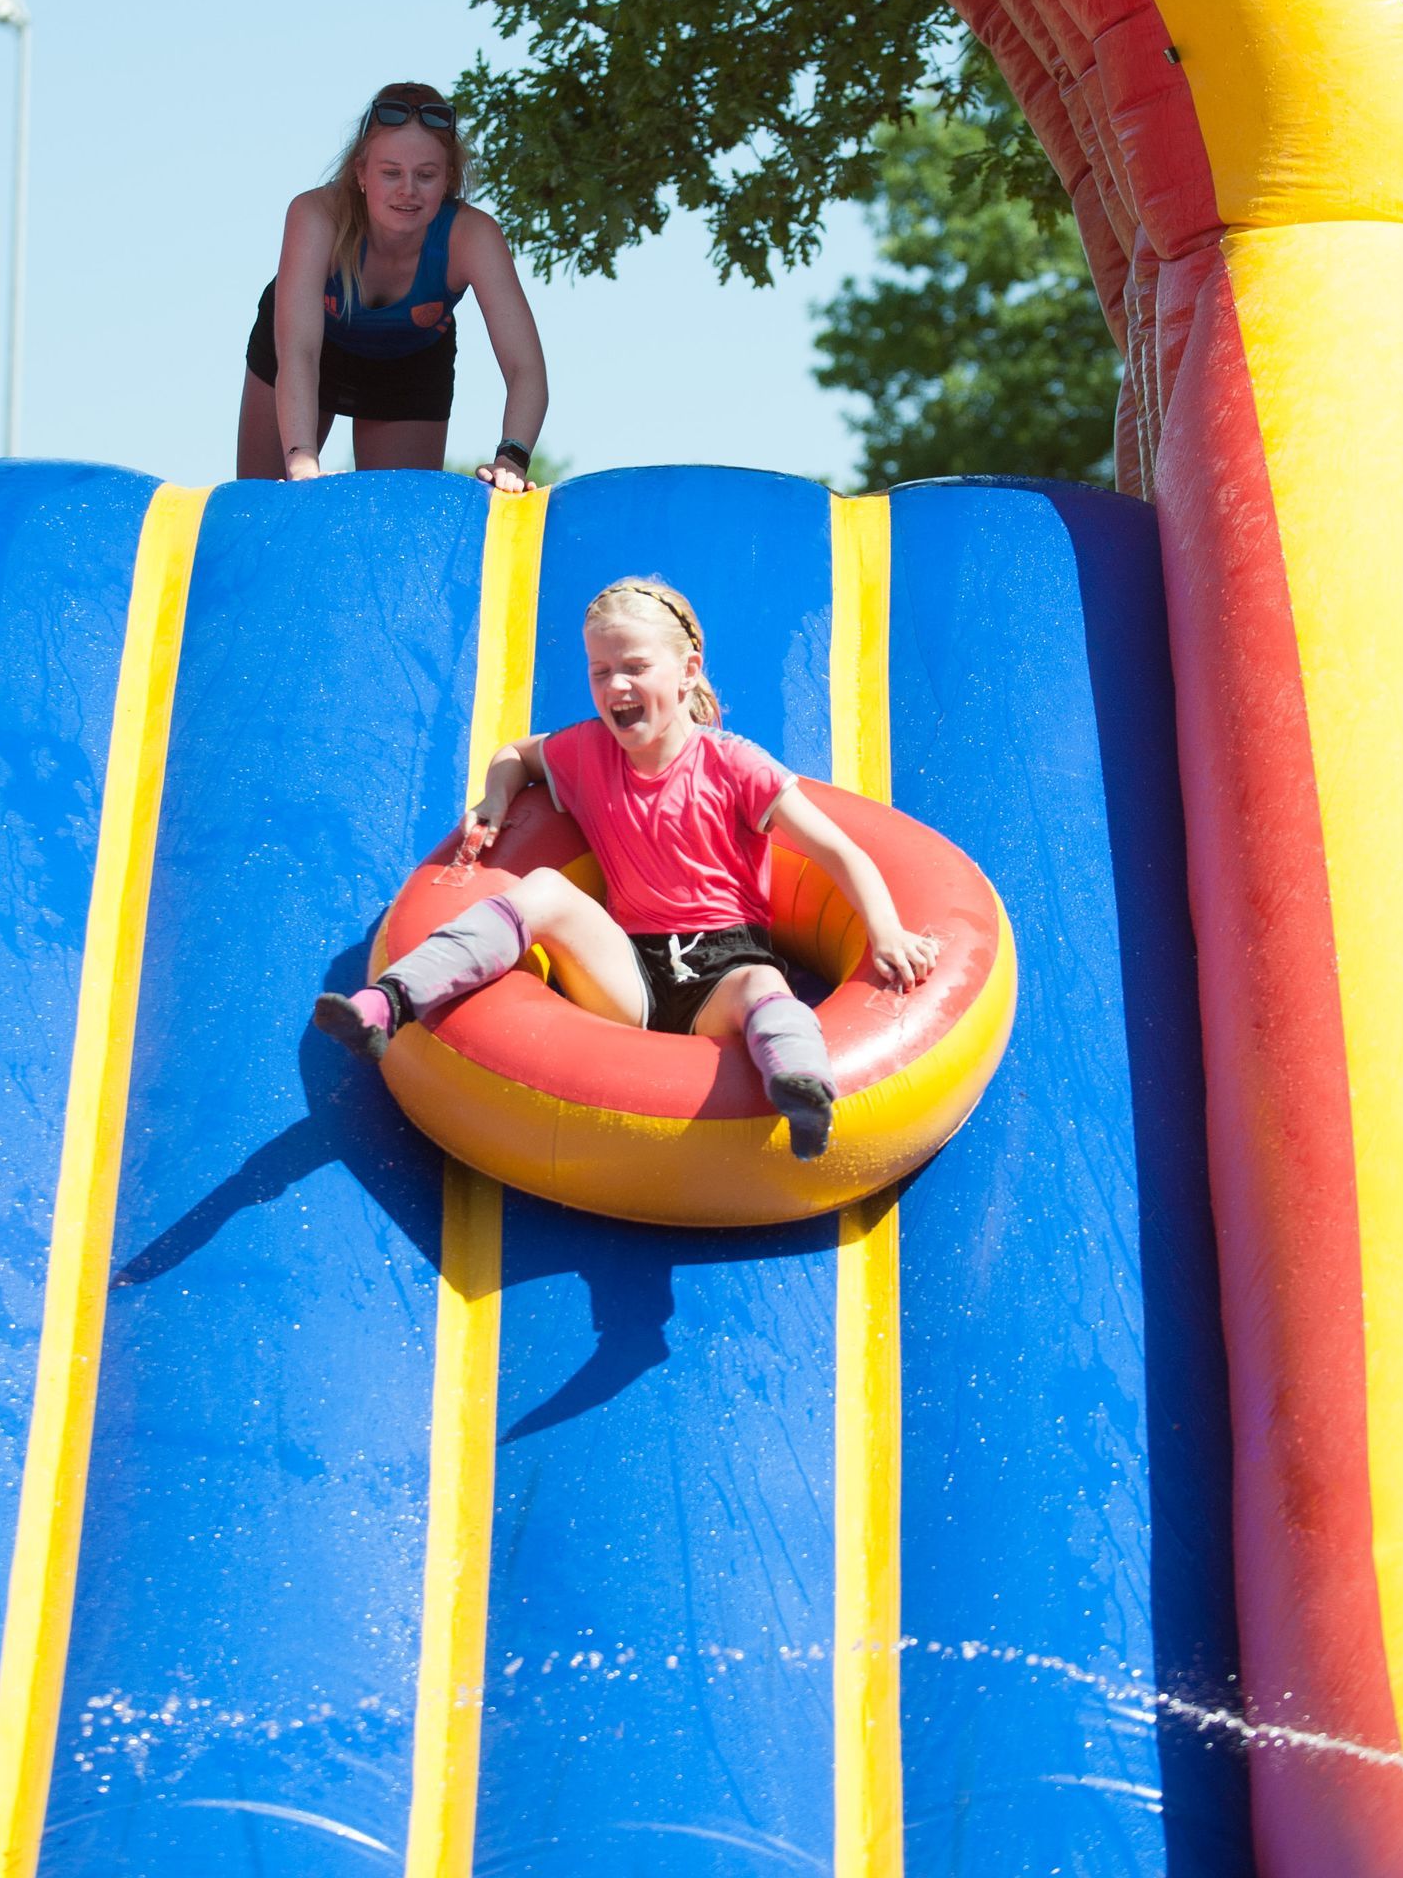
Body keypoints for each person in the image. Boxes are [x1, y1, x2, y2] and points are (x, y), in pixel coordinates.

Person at [314, 577, 939, 1160]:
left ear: (688, 671)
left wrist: (886, 932)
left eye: (636, 668)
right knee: (544, 889)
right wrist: (494, 797)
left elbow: (839, 851)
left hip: (725, 969)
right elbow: (515, 755)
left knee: (762, 987)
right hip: (629, 970)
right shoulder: (586, 751)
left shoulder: (734, 765)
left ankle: (803, 1090)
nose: (616, 686)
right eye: (600, 671)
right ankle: (387, 1003)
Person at [239, 81, 548, 491]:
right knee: (266, 504)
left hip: (409, 362)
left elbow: (525, 367)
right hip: (310, 350)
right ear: (361, 173)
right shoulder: (315, 215)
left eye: (426, 175)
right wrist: (302, 461)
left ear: (447, 178)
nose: (408, 190)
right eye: (390, 173)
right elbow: (299, 351)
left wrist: (512, 457)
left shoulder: (473, 235)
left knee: (395, 518)